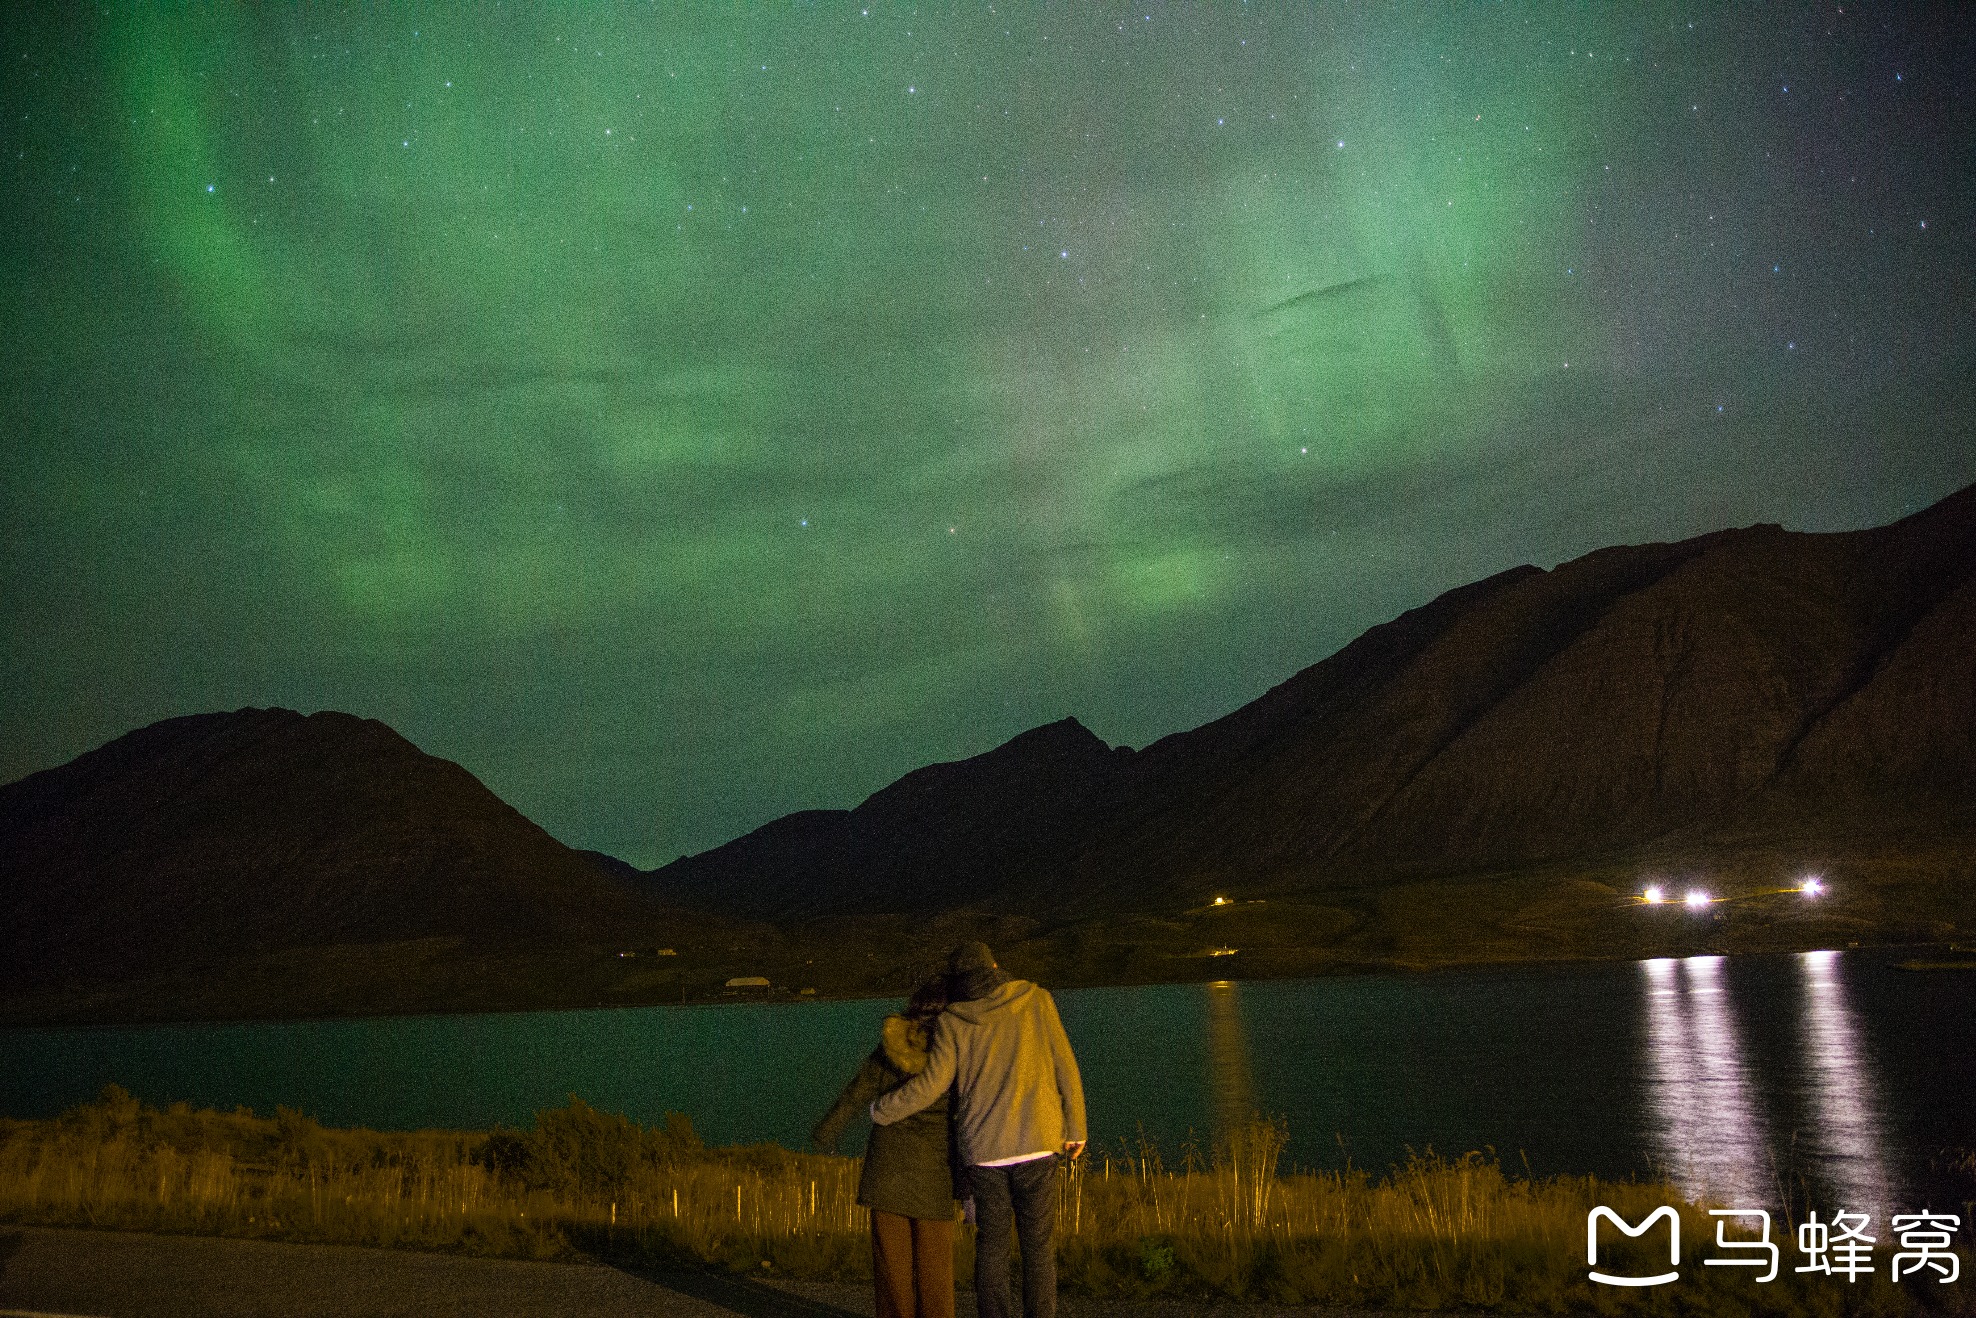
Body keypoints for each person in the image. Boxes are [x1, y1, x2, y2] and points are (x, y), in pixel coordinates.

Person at [870, 942, 1086, 1318]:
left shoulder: (953, 1020)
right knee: (1038, 1249)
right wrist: (1076, 1128)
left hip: (984, 1150)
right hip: (1038, 1141)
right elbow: (1065, 1065)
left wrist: (882, 1109)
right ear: (996, 965)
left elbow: (933, 1086)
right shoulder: (1037, 999)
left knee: (992, 1248)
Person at [813, 977, 959, 1318]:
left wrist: (826, 1130)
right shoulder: (955, 1052)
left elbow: (856, 1092)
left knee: (891, 1274)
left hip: (886, 1174)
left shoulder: (890, 1048)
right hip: (935, 1177)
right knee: (935, 1272)